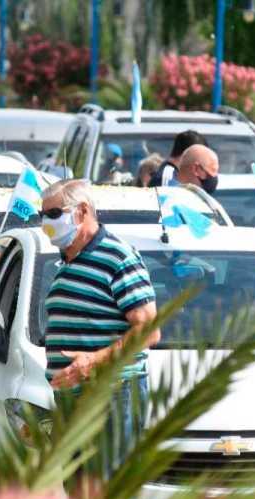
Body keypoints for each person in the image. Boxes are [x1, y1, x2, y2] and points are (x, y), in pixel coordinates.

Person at [39, 179, 160, 470]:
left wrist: (93, 361)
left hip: (110, 396)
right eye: (42, 215)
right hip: (74, 399)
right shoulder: (68, 261)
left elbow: (149, 331)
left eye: (53, 214)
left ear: (82, 211)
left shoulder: (118, 256)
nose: (45, 223)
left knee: (104, 489)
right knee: (79, 490)